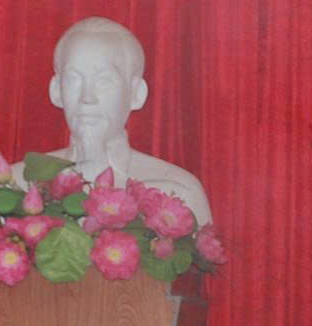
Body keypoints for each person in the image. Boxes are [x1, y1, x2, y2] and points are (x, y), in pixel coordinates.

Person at [40, 16, 212, 224]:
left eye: (104, 81)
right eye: (73, 79)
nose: (87, 97)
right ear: (56, 90)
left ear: (136, 93)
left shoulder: (178, 192)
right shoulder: (20, 186)